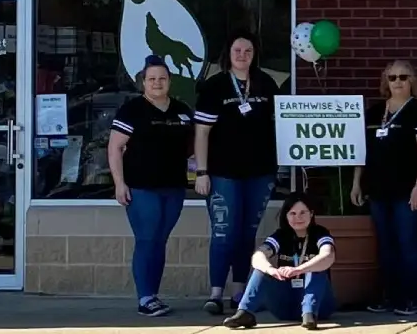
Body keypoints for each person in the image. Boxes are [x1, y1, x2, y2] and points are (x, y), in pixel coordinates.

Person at [193, 33, 281, 316]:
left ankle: (239, 291)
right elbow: (202, 133)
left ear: (255, 54)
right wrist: (202, 172)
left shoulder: (266, 83)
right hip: (223, 173)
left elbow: (279, 125)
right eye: (237, 50)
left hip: (260, 172)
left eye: (248, 50)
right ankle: (215, 293)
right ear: (228, 53)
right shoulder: (215, 86)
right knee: (224, 233)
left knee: (247, 234)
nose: (243, 55)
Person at [107, 56, 194, 317]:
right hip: (141, 187)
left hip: (174, 187)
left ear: (170, 81)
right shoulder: (132, 110)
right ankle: (145, 298)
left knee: (159, 240)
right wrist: (119, 183)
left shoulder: (181, 110)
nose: (157, 83)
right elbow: (115, 147)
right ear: (143, 82)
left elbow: (194, 146)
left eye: (162, 78)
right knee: (147, 239)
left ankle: (153, 295)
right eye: (152, 79)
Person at [350, 59, 417, 316]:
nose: (397, 82)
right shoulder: (375, 112)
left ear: (412, 81)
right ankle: (389, 297)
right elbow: (362, 152)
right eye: (392, 77)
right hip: (378, 190)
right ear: (386, 81)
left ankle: (413, 299)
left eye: (403, 77)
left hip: (405, 191)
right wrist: (356, 183)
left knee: (408, 244)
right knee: (385, 246)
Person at [221, 196, 337, 330]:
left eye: (302, 213)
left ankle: (309, 313)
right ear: (286, 215)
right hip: (285, 306)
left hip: (319, 307)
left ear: (311, 214)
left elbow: (328, 256)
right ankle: (245, 312)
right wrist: (270, 269)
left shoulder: (320, 233)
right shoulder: (281, 235)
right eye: (292, 213)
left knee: (315, 268)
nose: (298, 217)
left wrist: (299, 269)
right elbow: (258, 256)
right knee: (261, 270)